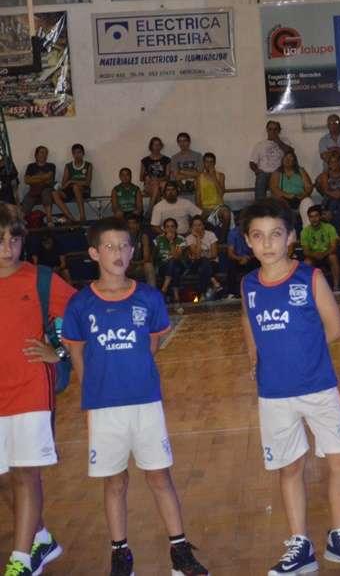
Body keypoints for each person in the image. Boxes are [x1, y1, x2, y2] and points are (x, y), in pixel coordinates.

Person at [60, 217, 210, 576]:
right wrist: (91, 396)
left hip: (145, 402)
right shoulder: (81, 304)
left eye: (125, 246)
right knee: (115, 481)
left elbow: (152, 344)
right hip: (104, 407)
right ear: (94, 253)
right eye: (109, 246)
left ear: (132, 252)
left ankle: (179, 551)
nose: (119, 252)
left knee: (160, 476)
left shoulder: (148, 297)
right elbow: (77, 352)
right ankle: (120, 553)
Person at [238, 199, 340, 575]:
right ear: (248, 241)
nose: (267, 243)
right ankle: (300, 546)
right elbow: (248, 321)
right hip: (274, 393)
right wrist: (254, 356)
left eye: (275, 235)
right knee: (290, 467)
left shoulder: (309, 278)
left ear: (290, 237)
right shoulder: (248, 284)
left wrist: (303, 355)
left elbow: (335, 328)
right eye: (258, 236)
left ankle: (339, 537)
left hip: (318, 386)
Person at [0, 204, 72, 576]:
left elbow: (82, 313)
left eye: (13, 239)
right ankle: (40, 537)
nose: (7, 248)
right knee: (4, 476)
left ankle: (21, 560)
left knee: (25, 473)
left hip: (30, 390)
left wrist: (58, 352)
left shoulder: (40, 279)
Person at [250, 120, 294, 200]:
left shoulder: (285, 141)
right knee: (261, 177)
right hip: (264, 173)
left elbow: (290, 152)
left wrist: (278, 141)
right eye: (270, 129)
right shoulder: (260, 145)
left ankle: (280, 204)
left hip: (279, 172)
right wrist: (256, 170)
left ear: (279, 131)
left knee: (281, 177)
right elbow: (252, 162)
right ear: (267, 130)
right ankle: (260, 204)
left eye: (275, 129)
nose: (272, 132)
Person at [301, 204, 340, 289]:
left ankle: (336, 287)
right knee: (307, 262)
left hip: (327, 255)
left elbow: (334, 247)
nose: (314, 219)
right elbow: (305, 251)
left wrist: (323, 254)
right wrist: (315, 255)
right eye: (311, 217)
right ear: (308, 218)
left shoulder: (329, 228)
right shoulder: (305, 231)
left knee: (333, 257)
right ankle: (309, 289)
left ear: (320, 216)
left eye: (316, 216)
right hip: (314, 256)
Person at [184, 216, 224, 299]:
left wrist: (203, 256)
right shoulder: (189, 238)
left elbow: (214, 254)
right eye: (195, 225)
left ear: (203, 226)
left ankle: (202, 294)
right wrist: (198, 238)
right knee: (203, 262)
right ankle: (214, 282)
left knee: (204, 266)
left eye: (199, 225)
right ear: (191, 227)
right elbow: (197, 256)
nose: (197, 227)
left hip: (212, 263)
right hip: (196, 265)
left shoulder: (211, 235)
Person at [315, 151, 340, 237]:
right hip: (330, 198)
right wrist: (335, 194)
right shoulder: (325, 175)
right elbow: (326, 190)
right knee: (336, 202)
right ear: (328, 164)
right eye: (331, 162)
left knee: (339, 202)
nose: (334, 164)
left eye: (336, 161)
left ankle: (331, 223)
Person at [53, 143, 93, 223]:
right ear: (72, 154)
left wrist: (72, 181)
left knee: (75, 187)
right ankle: (71, 218)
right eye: (75, 153)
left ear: (83, 153)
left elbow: (87, 183)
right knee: (54, 193)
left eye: (79, 152)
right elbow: (64, 184)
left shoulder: (88, 165)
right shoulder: (68, 166)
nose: (77, 155)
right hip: (70, 190)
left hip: (83, 190)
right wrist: (60, 188)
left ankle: (82, 216)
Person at [21, 146, 57, 226]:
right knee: (28, 198)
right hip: (34, 190)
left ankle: (49, 219)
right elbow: (27, 181)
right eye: (42, 152)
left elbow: (49, 179)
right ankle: (20, 221)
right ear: (36, 155)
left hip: (46, 188)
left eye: (46, 153)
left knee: (46, 193)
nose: (44, 155)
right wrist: (43, 178)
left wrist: (33, 178)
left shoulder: (51, 165)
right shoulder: (31, 166)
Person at [153, 217, 185, 304]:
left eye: (172, 226)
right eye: (167, 227)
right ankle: (176, 297)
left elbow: (176, 256)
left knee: (173, 261)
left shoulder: (181, 239)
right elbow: (154, 255)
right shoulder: (158, 239)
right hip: (163, 266)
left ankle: (164, 288)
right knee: (175, 270)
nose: (170, 229)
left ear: (176, 228)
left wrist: (171, 242)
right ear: (164, 228)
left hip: (179, 264)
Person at [125, 213, 156, 287]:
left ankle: (152, 291)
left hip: (139, 265)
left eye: (134, 223)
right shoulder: (122, 237)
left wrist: (135, 263)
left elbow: (146, 258)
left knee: (148, 266)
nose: (131, 226)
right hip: (126, 266)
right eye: (129, 223)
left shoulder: (143, 236)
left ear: (138, 225)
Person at [140, 137, 171, 209]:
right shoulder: (145, 160)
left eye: (158, 145)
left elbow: (168, 177)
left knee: (157, 186)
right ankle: (159, 210)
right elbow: (141, 178)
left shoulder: (167, 160)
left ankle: (151, 210)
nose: (157, 147)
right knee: (156, 187)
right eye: (155, 145)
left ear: (161, 146)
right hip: (149, 185)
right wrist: (147, 178)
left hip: (162, 185)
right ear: (151, 146)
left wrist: (158, 180)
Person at [168, 132, 202, 197]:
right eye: (180, 141)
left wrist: (181, 171)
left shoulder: (198, 156)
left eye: (185, 141)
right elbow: (176, 176)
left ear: (189, 142)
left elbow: (199, 173)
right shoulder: (174, 157)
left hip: (195, 185)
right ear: (178, 143)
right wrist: (193, 173)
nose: (182, 143)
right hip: (179, 185)